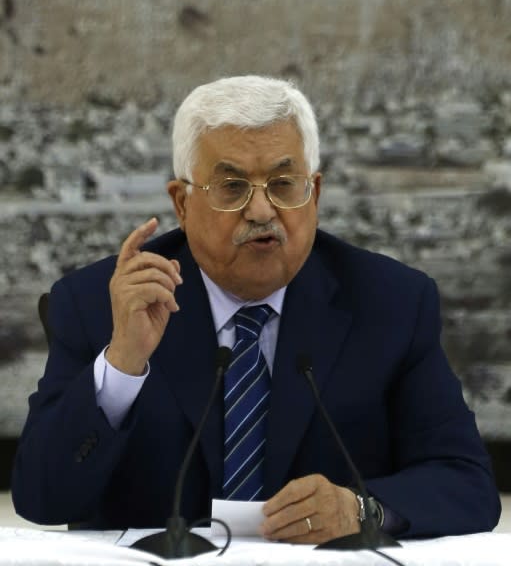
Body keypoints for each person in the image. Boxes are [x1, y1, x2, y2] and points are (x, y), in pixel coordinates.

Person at [12, 75, 501, 543]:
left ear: (315, 194)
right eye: (232, 188)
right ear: (181, 204)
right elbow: (41, 499)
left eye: (284, 184)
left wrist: (361, 510)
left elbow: (466, 484)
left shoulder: (390, 302)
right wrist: (122, 362)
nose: (262, 210)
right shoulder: (102, 302)